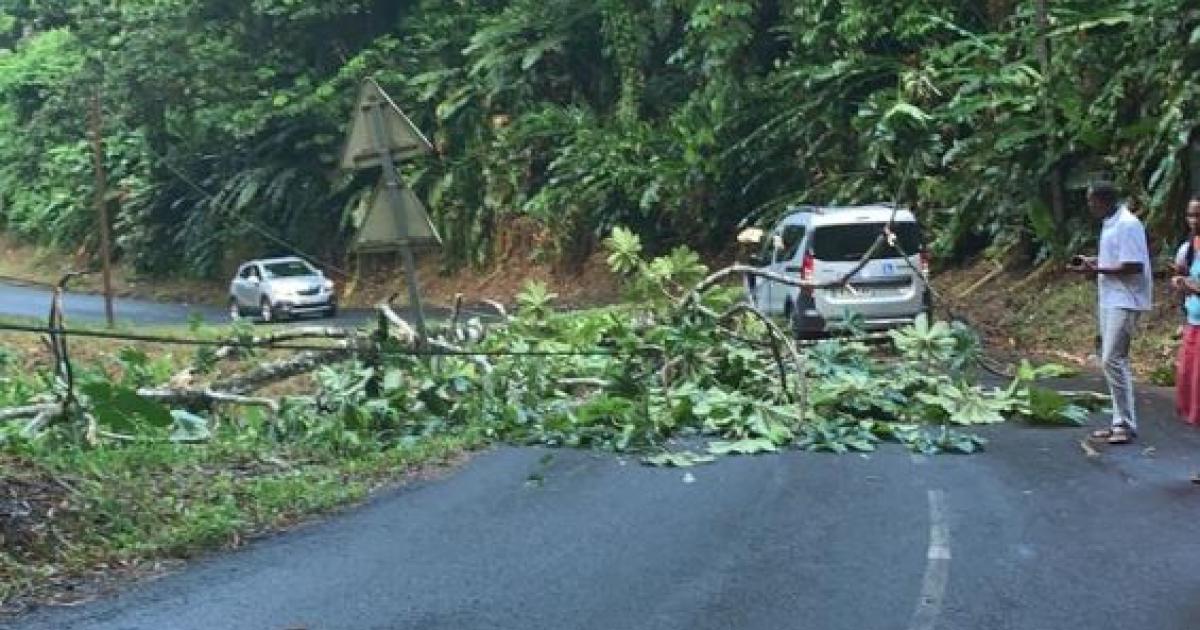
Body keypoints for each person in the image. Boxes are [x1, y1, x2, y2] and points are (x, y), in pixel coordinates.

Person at [1067, 181, 1153, 445]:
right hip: (1110, 297)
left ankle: (1125, 424)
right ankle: (1119, 421)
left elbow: (1134, 265)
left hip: (1126, 300)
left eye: (1092, 201)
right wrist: (1095, 263)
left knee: (1112, 359)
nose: (1089, 206)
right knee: (1112, 360)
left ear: (1103, 200)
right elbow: (1117, 259)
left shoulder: (1128, 224)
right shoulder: (1110, 223)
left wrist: (1097, 270)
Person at [1171, 198, 1200, 482]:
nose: (1194, 220)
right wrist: (1180, 283)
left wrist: (1191, 285)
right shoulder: (1188, 249)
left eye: (1198, 215)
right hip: (1193, 326)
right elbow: (1181, 277)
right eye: (1190, 215)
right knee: (1193, 394)